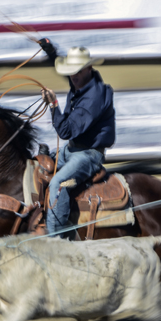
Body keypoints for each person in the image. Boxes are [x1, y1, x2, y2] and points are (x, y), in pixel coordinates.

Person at [40, 46, 116, 238]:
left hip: (89, 155)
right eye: (70, 71)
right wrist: (50, 51)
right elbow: (69, 73)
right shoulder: (82, 83)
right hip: (72, 150)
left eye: (77, 71)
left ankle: (54, 239)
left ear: (88, 70)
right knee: (37, 164)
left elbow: (66, 131)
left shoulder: (94, 98)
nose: (72, 75)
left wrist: (53, 105)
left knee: (57, 182)